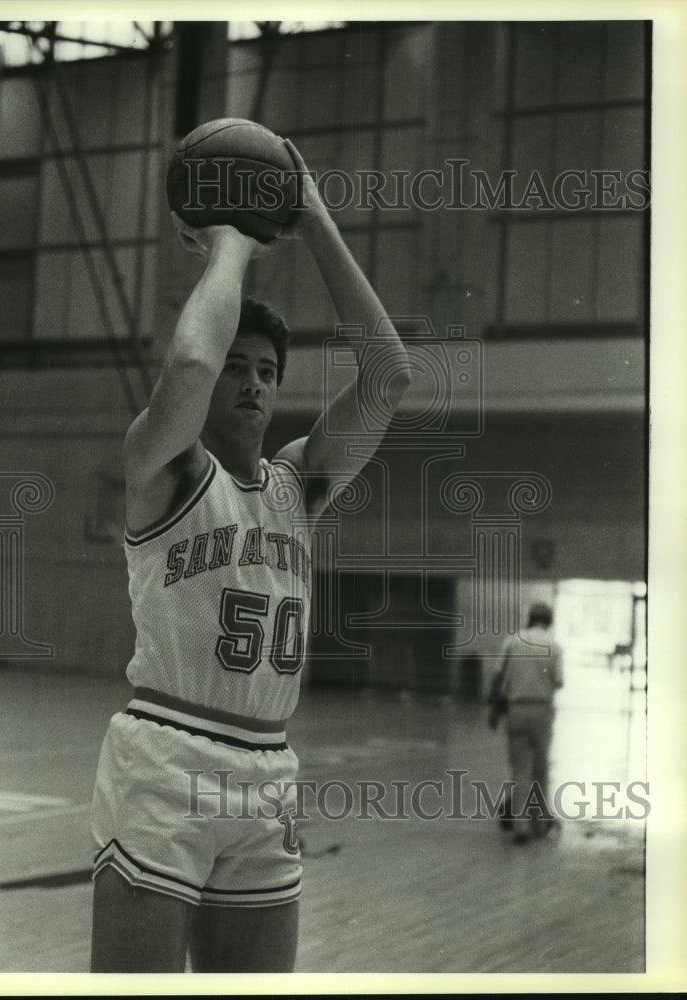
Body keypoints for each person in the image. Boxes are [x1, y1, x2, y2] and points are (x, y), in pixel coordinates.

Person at [89, 140, 412, 972]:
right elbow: (193, 360)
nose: (253, 382)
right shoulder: (162, 467)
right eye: (239, 367)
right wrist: (230, 239)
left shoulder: (298, 485)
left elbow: (389, 378)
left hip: (269, 768)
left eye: (267, 370)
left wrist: (312, 214)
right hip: (167, 758)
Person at [491, 602, 564, 843]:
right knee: (540, 769)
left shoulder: (512, 641)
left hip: (516, 711)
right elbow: (558, 681)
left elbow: (498, 675)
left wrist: (494, 709)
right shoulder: (554, 646)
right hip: (541, 711)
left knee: (520, 770)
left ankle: (520, 827)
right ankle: (539, 825)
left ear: (529, 619)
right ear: (549, 622)